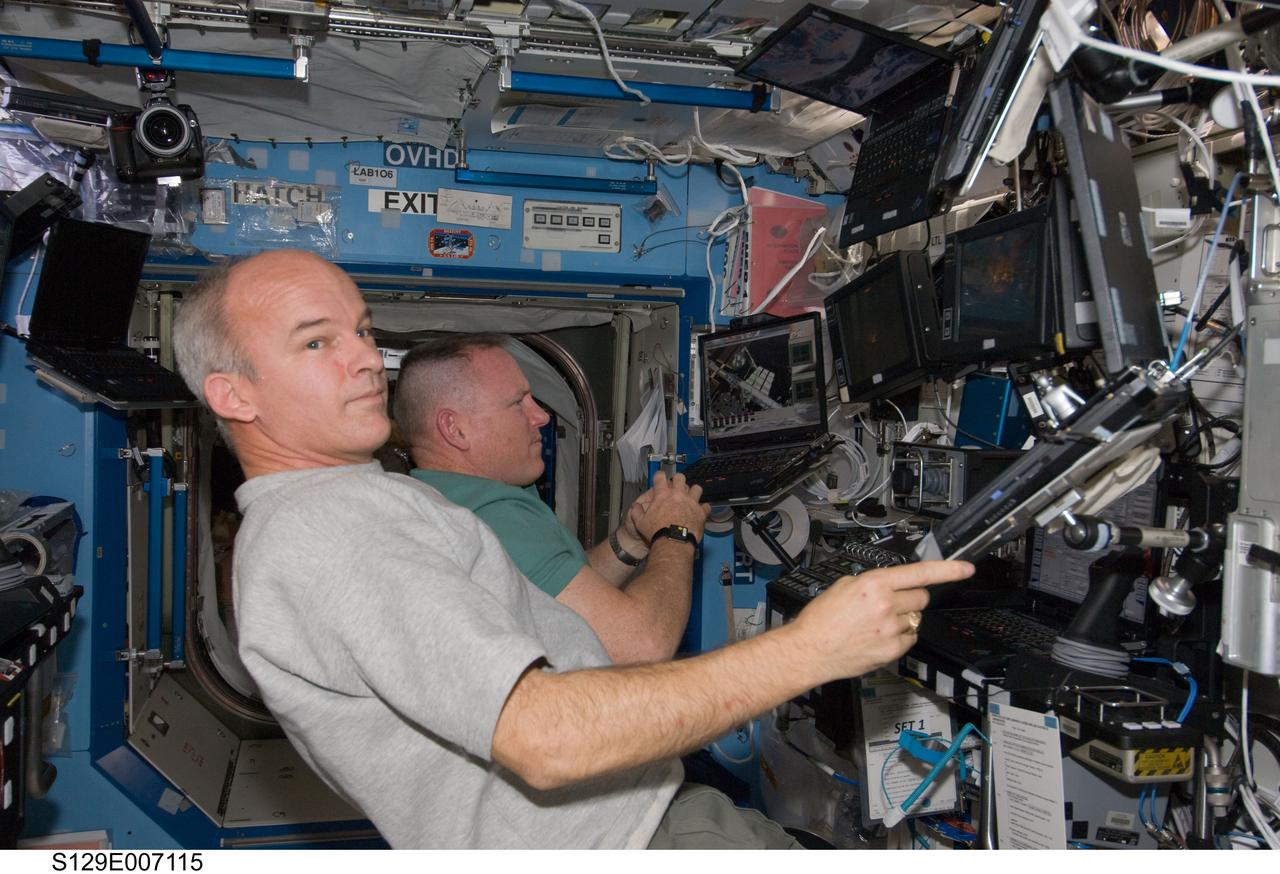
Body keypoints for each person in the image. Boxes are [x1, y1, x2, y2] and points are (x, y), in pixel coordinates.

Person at [173, 248, 974, 849]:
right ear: (232, 394)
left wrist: (628, 543)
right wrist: (810, 648)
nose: (362, 359)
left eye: (361, 330)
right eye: (316, 343)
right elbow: (546, 737)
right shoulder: (330, 530)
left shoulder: (347, 507)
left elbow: (528, 625)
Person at [393, 334, 705, 665]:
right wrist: (674, 533)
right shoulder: (488, 518)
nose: (540, 416)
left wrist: (630, 542)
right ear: (455, 430)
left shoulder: (448, 497)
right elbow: (641, 646)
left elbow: (562, 600)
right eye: (518, 403)